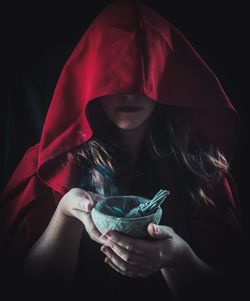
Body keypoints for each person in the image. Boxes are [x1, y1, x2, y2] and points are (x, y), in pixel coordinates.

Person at [0, 1, 247, 300]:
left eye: (144, 79)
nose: (130, 92)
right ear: (92, 80)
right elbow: (26, 289)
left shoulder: (202, 170)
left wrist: (177, 257)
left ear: (165, 81)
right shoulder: (49, 166)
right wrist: (66, 214)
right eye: (115, 76)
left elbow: (230, 289)